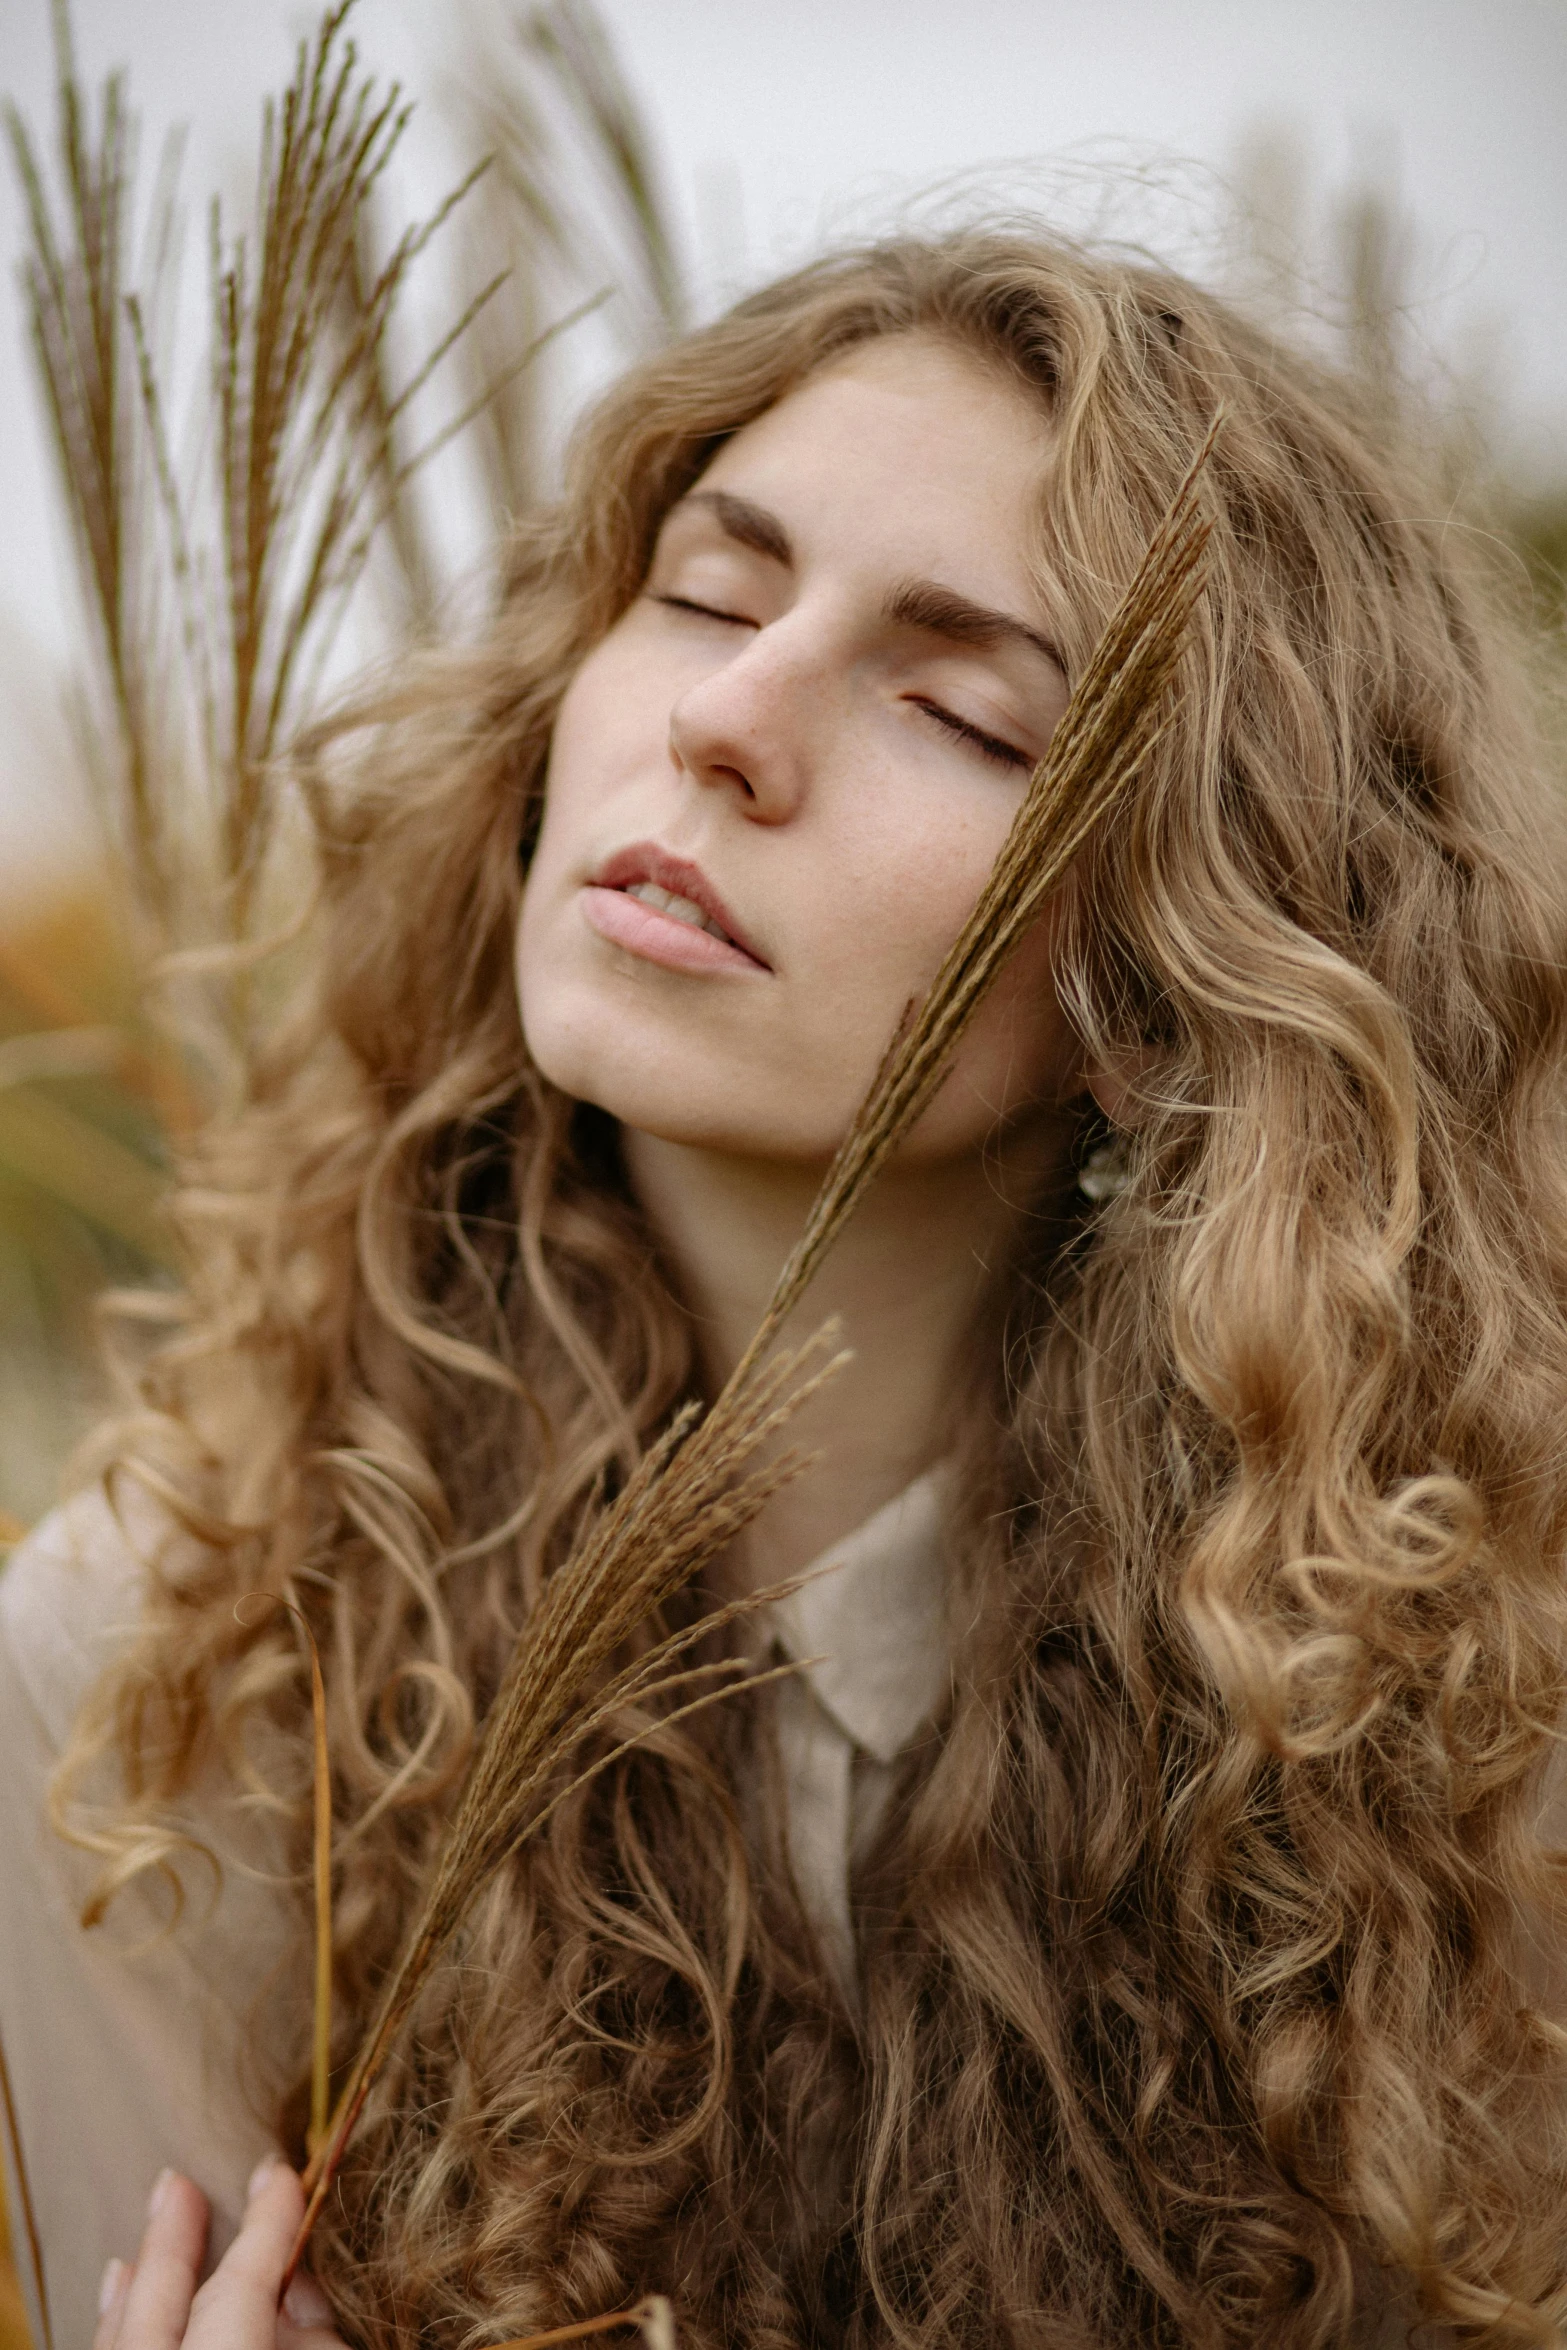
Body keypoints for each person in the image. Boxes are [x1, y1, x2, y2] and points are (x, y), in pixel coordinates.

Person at [4, 226, 1567, 2350]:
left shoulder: (1453, 1736)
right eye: (708, 593)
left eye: (954, 704)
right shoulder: (151, 1686)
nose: (727, 721)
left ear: (1171, 965)